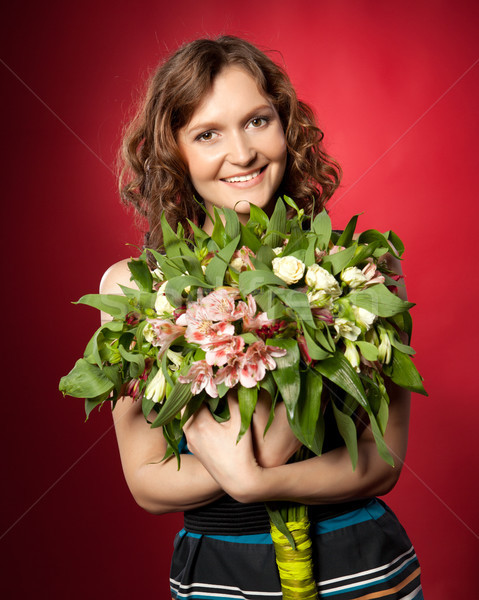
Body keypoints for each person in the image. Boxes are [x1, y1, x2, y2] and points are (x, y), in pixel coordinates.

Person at [100, 36, 423, 600]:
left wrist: (258, 481)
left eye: (257, 121)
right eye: (207, 133)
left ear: (287, 127)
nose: (243, 154)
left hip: (362, 570)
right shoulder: (134, 289)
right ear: (171, 151)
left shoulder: (364, 270)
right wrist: (245, 477)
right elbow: (147, 483)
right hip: (217, 576)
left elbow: (382, 459)